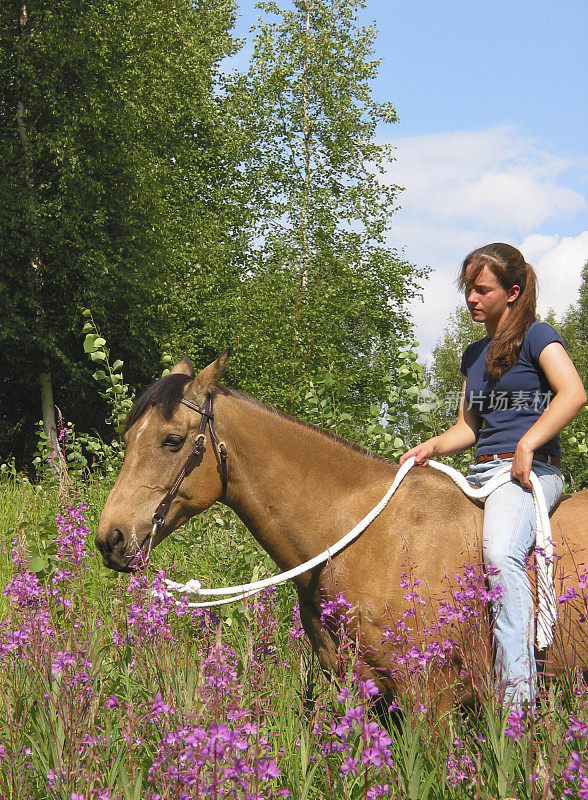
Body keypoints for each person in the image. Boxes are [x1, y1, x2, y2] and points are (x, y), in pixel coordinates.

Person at [400, 243, 586, 707]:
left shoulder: (539, 336)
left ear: (513, 291)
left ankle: (519, 699)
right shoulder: (473, 354)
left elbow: (574, 393)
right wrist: (432, 446)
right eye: (468, 290)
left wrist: (527, 444)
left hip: (529, 473)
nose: (471, 299)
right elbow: (468, 426)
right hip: (482, 473)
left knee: (501, 553)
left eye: (482, 290)